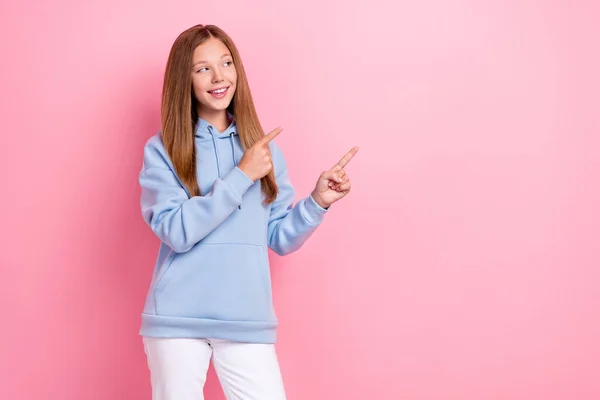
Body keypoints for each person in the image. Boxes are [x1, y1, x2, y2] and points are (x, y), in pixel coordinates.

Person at [138, 23, 358, 400]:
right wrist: (242, 175)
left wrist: (317, 202)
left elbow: (279, 237)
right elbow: (176, 231)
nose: (219, 76)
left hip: (246, 319)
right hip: (177, 319)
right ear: (184, 80)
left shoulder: (263, 151)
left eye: (226, 63)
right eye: (202, 68)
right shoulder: (164, 150)